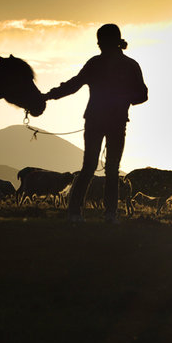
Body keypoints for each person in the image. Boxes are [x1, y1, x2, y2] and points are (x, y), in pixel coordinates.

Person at [42, 23, 148, 223]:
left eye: (100, 41)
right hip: (115, 122)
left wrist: (49, 95)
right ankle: (108, 214)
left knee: (90, 167)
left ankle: (75, 212)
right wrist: (125, 99)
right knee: (110, 168)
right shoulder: (130, 65)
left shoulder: (97, 63)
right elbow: (142, 95)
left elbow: (74, 84)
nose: (98, 44)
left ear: (106, 42)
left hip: (96, 121)